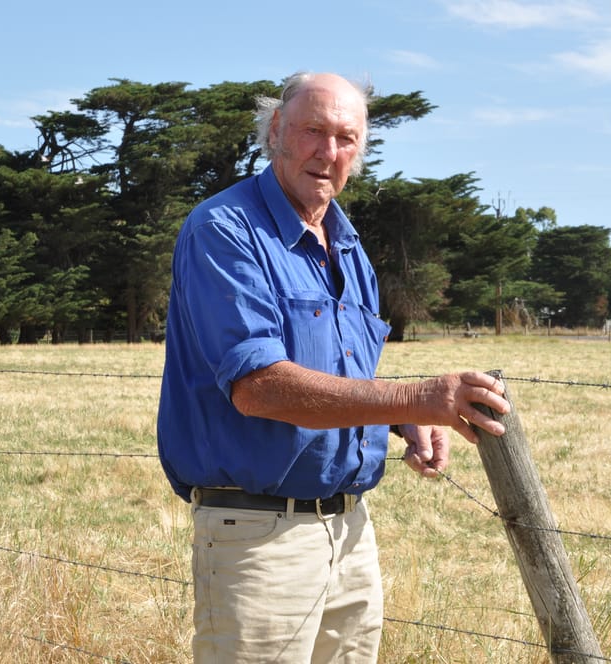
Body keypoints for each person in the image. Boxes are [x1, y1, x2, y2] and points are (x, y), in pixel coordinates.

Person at [157, 71, 510, 663]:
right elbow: (259, 386)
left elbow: (347, 375)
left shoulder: (347, 245)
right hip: (258, 538)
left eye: (346, 138)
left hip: (351, 531)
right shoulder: (225, 230)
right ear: (276, 131)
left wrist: (398, 420)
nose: (328, 151)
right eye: (312, 131)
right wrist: (417, 398)